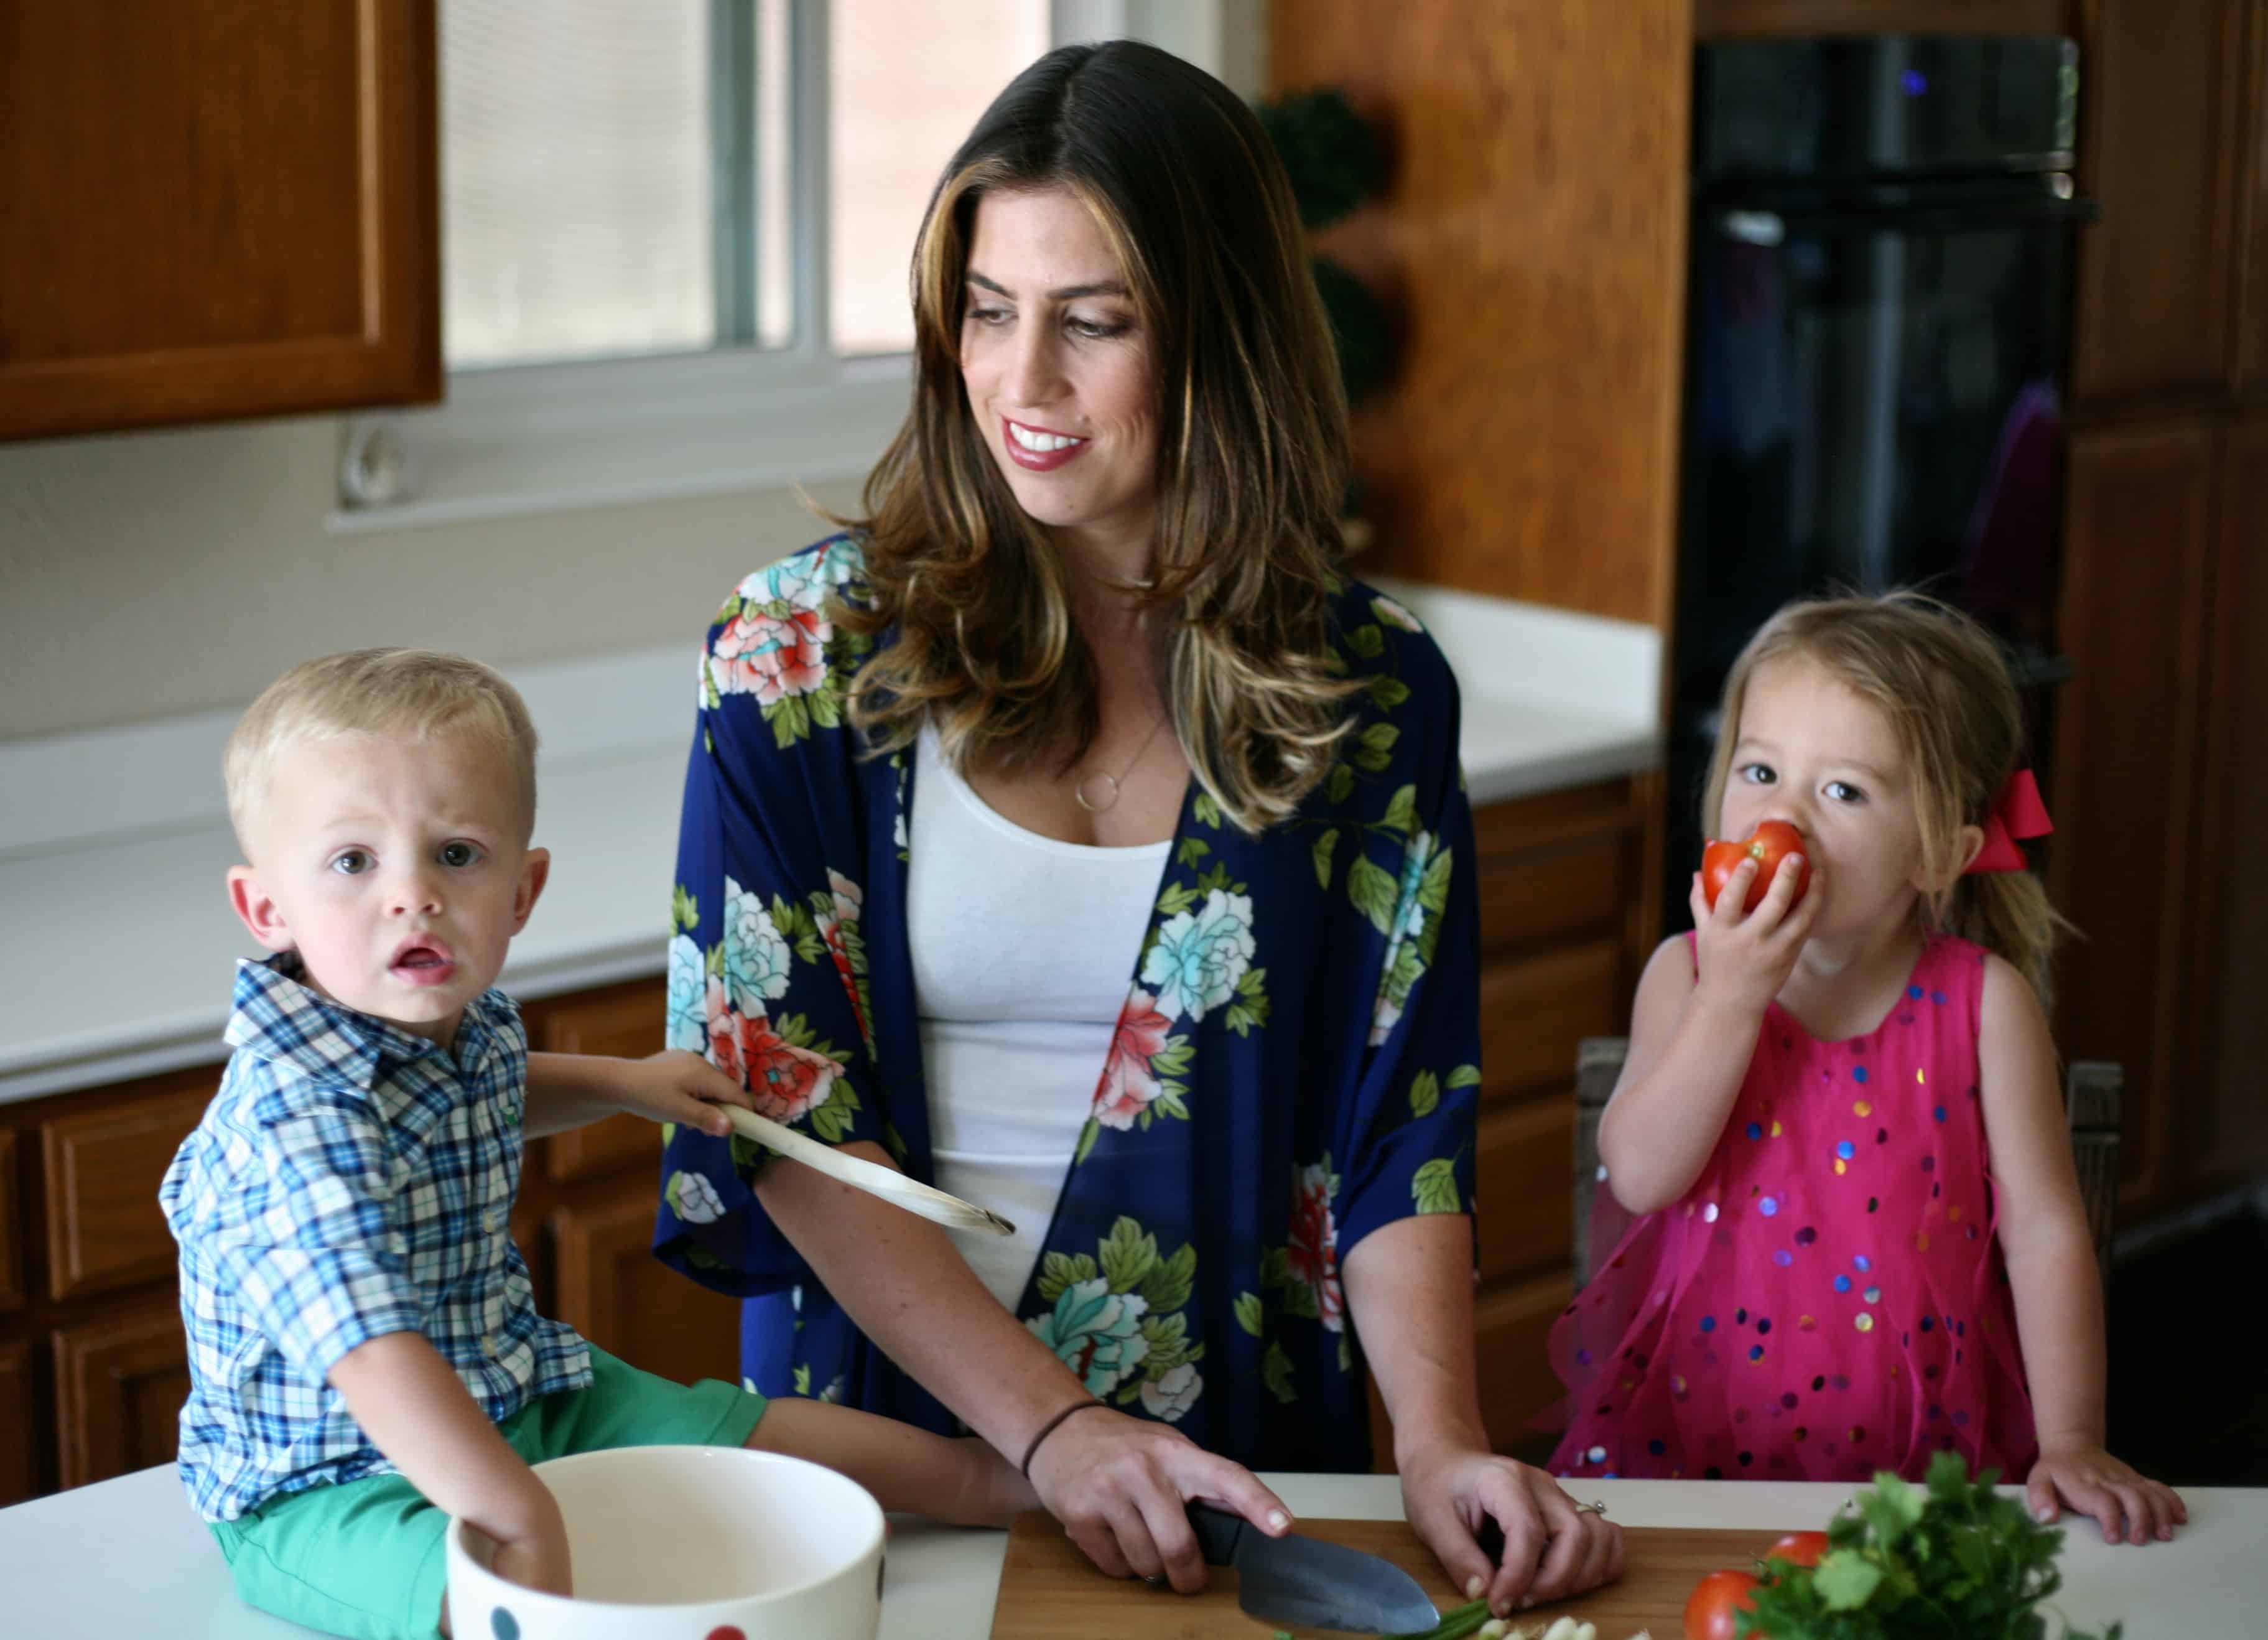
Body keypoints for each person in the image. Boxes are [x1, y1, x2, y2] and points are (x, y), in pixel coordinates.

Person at [651, 37, 1622, 1624]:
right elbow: (778, 1117)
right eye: (985, 309)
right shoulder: (794, 663)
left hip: (1228, 1482)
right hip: (886, 1463)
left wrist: (1441, 1438)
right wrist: (1049, 1424)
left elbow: (1394, 1132)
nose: (1020, 383)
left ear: (1222, 341)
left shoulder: (1368, 690)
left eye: (1092, 322)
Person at [162, 650, 1034, 1640]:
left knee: (787, 1450)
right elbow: (373, 1360)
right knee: (487, 1602)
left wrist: (627, 1086)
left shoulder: (451, 1023)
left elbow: (486, 1094)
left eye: (456, 853)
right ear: (266, 908)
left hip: (525, 1394)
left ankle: (1012, 1487)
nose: (413, 895)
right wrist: (513, 1509)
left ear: (523, 891)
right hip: (332, 1486)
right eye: (353, 861)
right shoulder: (294, 1125)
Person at [1547, 593, 2187, 1546]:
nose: (1781, 817)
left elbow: (2047, 1236)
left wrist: (2074, 1439)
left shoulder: (1983, 1007)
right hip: (1690, 1464)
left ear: (1941, 853)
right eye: (1758, 770)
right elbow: (1640, 1174)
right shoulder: (1684, 976)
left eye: (1841, 791)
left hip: (1924, 1476)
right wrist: (1729, 1000)